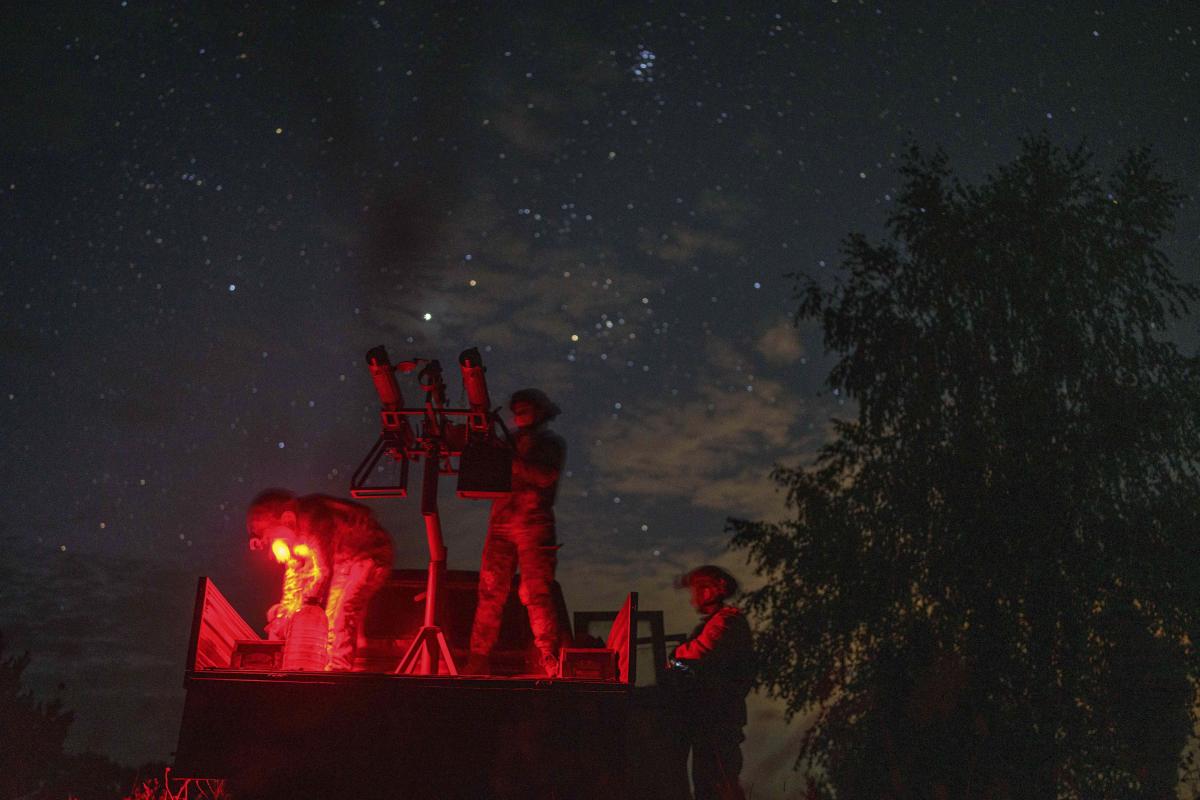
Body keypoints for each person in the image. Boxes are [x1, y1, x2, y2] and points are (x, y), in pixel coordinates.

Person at [466, 389, 567, 677]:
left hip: (534, 525)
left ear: (539, 412)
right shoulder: (506, 443)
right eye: (517, 409)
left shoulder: (550, 444)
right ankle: (478, 657)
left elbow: (546, 476)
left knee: (537, 592)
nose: (519, 415)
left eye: (525, 409)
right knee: (490, 591)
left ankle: (548, 656)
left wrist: (510, 460)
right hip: (501, 525)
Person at [247, 490, 394, 671]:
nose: (271, 544)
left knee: (342, 614)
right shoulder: (294, 538)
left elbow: (323, 571)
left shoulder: (314, 520)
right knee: (330, 617)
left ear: (287, 519)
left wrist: (302, 613)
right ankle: (332, 667)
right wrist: (283, 619)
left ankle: (338, 671)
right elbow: (295, 581)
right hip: (343, 560)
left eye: (270, 536)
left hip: (369, 555)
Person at [670, 565, 755, 800]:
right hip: (708, 721)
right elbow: (688, 666)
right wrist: (674, 665)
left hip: (719, 720)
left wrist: (675, 657)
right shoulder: (714, 624)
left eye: (696, 590)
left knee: (720, 785)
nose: (692, 600)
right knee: (707, 786)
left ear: (709, 591)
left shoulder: (727, 623)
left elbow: (700, 653)